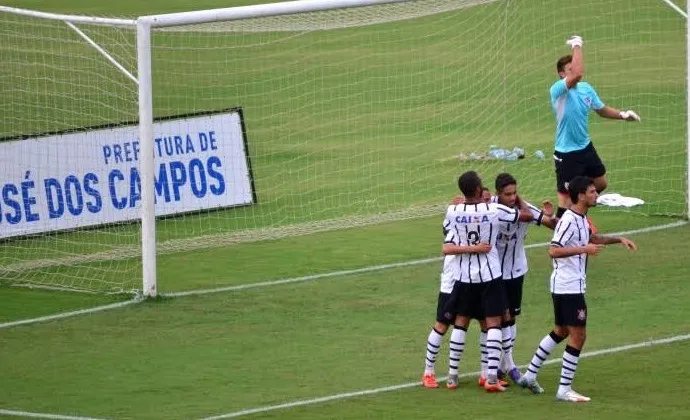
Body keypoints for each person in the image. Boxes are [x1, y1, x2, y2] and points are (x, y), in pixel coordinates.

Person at [517, 176, 637, 402]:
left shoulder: (581, 218)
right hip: (568, 285)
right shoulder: (569, 220)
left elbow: (592, 238)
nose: (596, 195)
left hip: (567, 284)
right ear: (581, 195)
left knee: (561, 331)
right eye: (592, 192)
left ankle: (530, 375)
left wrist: (619, 239)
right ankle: (564, 390)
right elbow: (553, 250)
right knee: (578, 336)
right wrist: (584, 249)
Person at [441, 171, 533, 392]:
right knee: (494, 323)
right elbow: (526, 215)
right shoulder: (493, 209)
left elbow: (447, 243)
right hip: (490, 275)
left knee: (460, 322)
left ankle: (452, 376)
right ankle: (491, 378)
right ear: (476, 190)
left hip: (463, 276)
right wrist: (518, 199)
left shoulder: (453, 210)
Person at [550, 35, 640, 222]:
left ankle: (580, 206)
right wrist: (577, 45)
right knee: (566, 200)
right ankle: (561, 233)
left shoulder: (586, 89)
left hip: (585, 147)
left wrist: (622, 115)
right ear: (561, 74)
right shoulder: (558, 90)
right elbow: (577, 74)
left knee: (600, 182)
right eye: (569, 68)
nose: (573, 69)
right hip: (566, 153)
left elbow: (601, 110)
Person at [422, 191, 493, 389]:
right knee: (443, 324)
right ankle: (429, 372)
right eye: (483, 199)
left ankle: (485, 374)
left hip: (476, 280)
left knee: (485, 322)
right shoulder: (456, 220)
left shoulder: (484, 221)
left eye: (488, 200)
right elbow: (447, 245)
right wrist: (475, 248)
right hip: (452, 280)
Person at [490, 173, 557, 384]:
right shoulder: (492, 208)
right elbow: (527, 217)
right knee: (501, 317)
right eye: (507, 194)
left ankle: (503, 365)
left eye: (514, 193)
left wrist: (551, 215)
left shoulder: (524, 206)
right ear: (497, 194)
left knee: (511, 317)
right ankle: (508, 365)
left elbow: (550, 223)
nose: (511, 197)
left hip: (517, 270)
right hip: (494, 273)